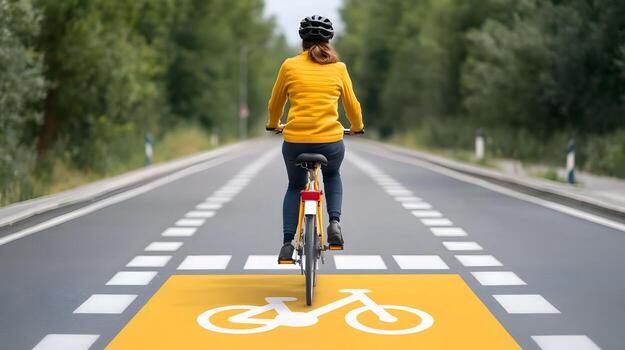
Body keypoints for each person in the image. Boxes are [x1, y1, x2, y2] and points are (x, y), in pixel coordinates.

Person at [266, 15, 364, 262]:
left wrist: (273, 124)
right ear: (329, 40)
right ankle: (334, 222)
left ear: (302, 40)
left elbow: (275, 103)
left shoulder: (289, 65)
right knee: (331, 175)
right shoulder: (338, 68)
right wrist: (356, 127)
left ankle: (287, 243)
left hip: (295, 141)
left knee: (294, 186)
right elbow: (352, 105)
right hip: (329, 143)